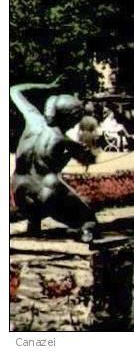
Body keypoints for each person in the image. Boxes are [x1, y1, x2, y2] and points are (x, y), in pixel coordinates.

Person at [11, 81, 98, 242]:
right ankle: (86, 233)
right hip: (46, 195)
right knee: (89, 218)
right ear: (70, 117)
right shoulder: (64, 140)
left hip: (19, 193)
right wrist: (84, 150)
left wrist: (48, 86)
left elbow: (14, 90)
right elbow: (89, 160)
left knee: (39, 180)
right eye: (75, 120)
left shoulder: (32, 118)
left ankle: (34, 224)